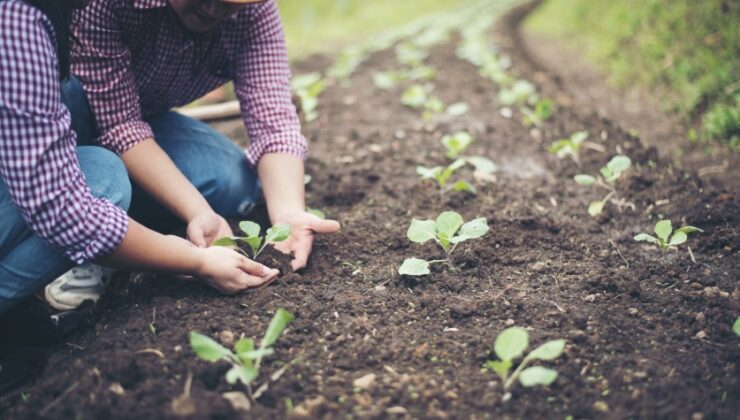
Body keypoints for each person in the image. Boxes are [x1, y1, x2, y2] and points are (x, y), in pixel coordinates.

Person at [0, 0, 281, 396]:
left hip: (82, 142)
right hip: (68, 142)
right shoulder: (18, 19)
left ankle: (113, 242)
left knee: (228, 180)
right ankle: (93, 256)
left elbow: (274, 114)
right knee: (99, 178)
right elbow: (61, 207)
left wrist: (289, 213)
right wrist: (194, 259)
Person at [45, 0, 340, 310]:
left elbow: (274, 121)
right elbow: (120, 126)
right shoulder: (107, 4)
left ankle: (132, 234)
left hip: (140, 121)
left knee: (234, 183)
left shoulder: (255, 11)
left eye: (229, 5)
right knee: (70, 93)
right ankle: (79, 250)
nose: (213, 10)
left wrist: (287, 214)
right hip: (54, 130)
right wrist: (194, 211)